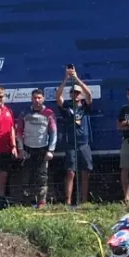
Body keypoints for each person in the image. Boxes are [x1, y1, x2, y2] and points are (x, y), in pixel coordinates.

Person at [56, 67, 94, 206]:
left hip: (84, 144)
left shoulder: (85, 107)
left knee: (85, 173)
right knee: (70, 173)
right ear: (71, 94)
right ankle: (68, 202)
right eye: (73, 93)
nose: (76, 95)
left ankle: (84, 201)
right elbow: (58, 96)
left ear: (80, 95)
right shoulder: (66, 107)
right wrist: (66, 79)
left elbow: (89, 94)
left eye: (78, 93)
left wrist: (76, 78)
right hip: (71, 144)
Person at [16, 89, 57, 208]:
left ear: (43, 99)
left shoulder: (49, 113)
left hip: (42, 149)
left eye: (39, 98)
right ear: (31, 98)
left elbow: (54, 132)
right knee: (26, 176)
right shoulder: (24, 113)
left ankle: (41, 202)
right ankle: (26, 202)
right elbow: (19, 132)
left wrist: (51, 150)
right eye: (35, 98)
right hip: (27, 149)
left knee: (42, 176)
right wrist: (20, 149)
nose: (37, 100)